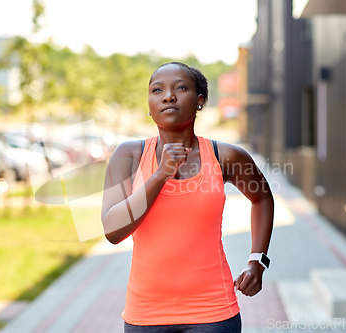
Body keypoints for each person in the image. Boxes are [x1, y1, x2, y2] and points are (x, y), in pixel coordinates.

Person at [101, 62, 274, 333]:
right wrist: (160, 175)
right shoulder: (129, 155)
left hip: (214, 312)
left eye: (181, 88)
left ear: (200, 101)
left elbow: (262, 198)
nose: (168, 96)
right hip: (146, 315)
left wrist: (258, 261)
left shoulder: (225, 156)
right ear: (149, 106)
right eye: (157, 90)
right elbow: (112, 231)